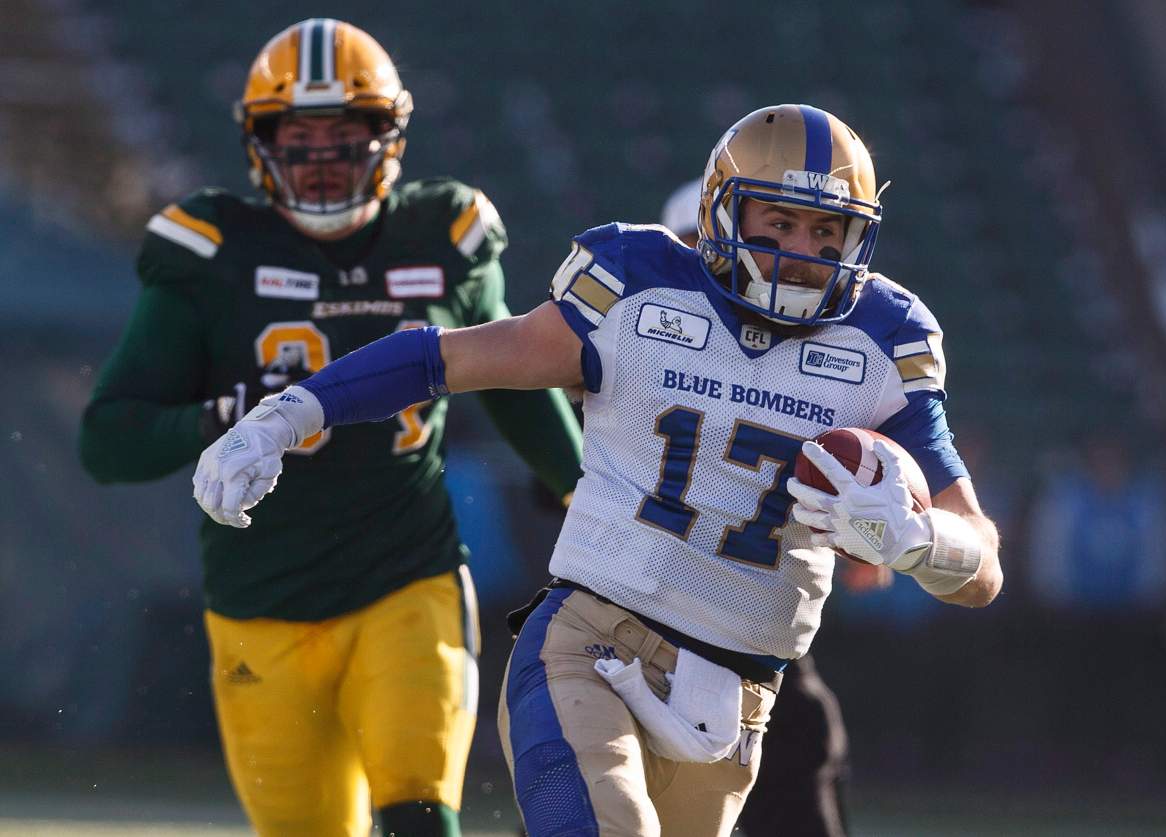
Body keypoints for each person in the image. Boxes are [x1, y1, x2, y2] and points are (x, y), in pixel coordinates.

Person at [192, 104, 1003, 837]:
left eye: (827, 233)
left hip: (736, 701)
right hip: (592, 645)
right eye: (781, 223)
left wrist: (922, 538)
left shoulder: (882, 344)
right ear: (724, 212)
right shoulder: (640, 288)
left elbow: (982, 568)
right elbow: (452, 357)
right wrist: (292, 412)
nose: (802, 254)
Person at [79, 19, 583, 837]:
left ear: (387, 138)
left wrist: (582, 484)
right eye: (299, 136)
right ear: (259, 144)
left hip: (406, 579)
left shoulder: (444, 234)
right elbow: (107, 439)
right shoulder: (212, 251)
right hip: (259, 601)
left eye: (343, 135)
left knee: (421, 813)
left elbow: (515, 379)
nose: (319, 158)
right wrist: (221, 418)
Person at [662, 177, 893, 836]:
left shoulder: (815, 357)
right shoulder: (640, 340)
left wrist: (867, 525)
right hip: (635, 628)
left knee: (798, 743)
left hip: (755, 648)